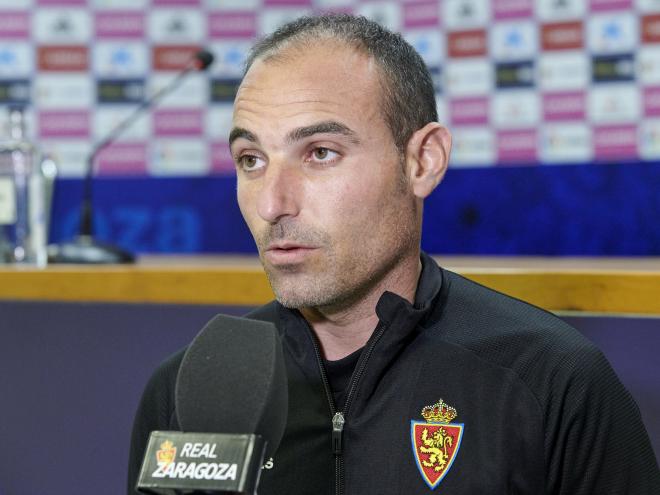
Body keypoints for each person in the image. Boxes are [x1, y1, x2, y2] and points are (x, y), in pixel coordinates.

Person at [128, 14, 659, 494]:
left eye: (320, 153)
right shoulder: (183, 394)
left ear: (423, 161)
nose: (272, 203)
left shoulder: (553, 381)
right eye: (251, 159)